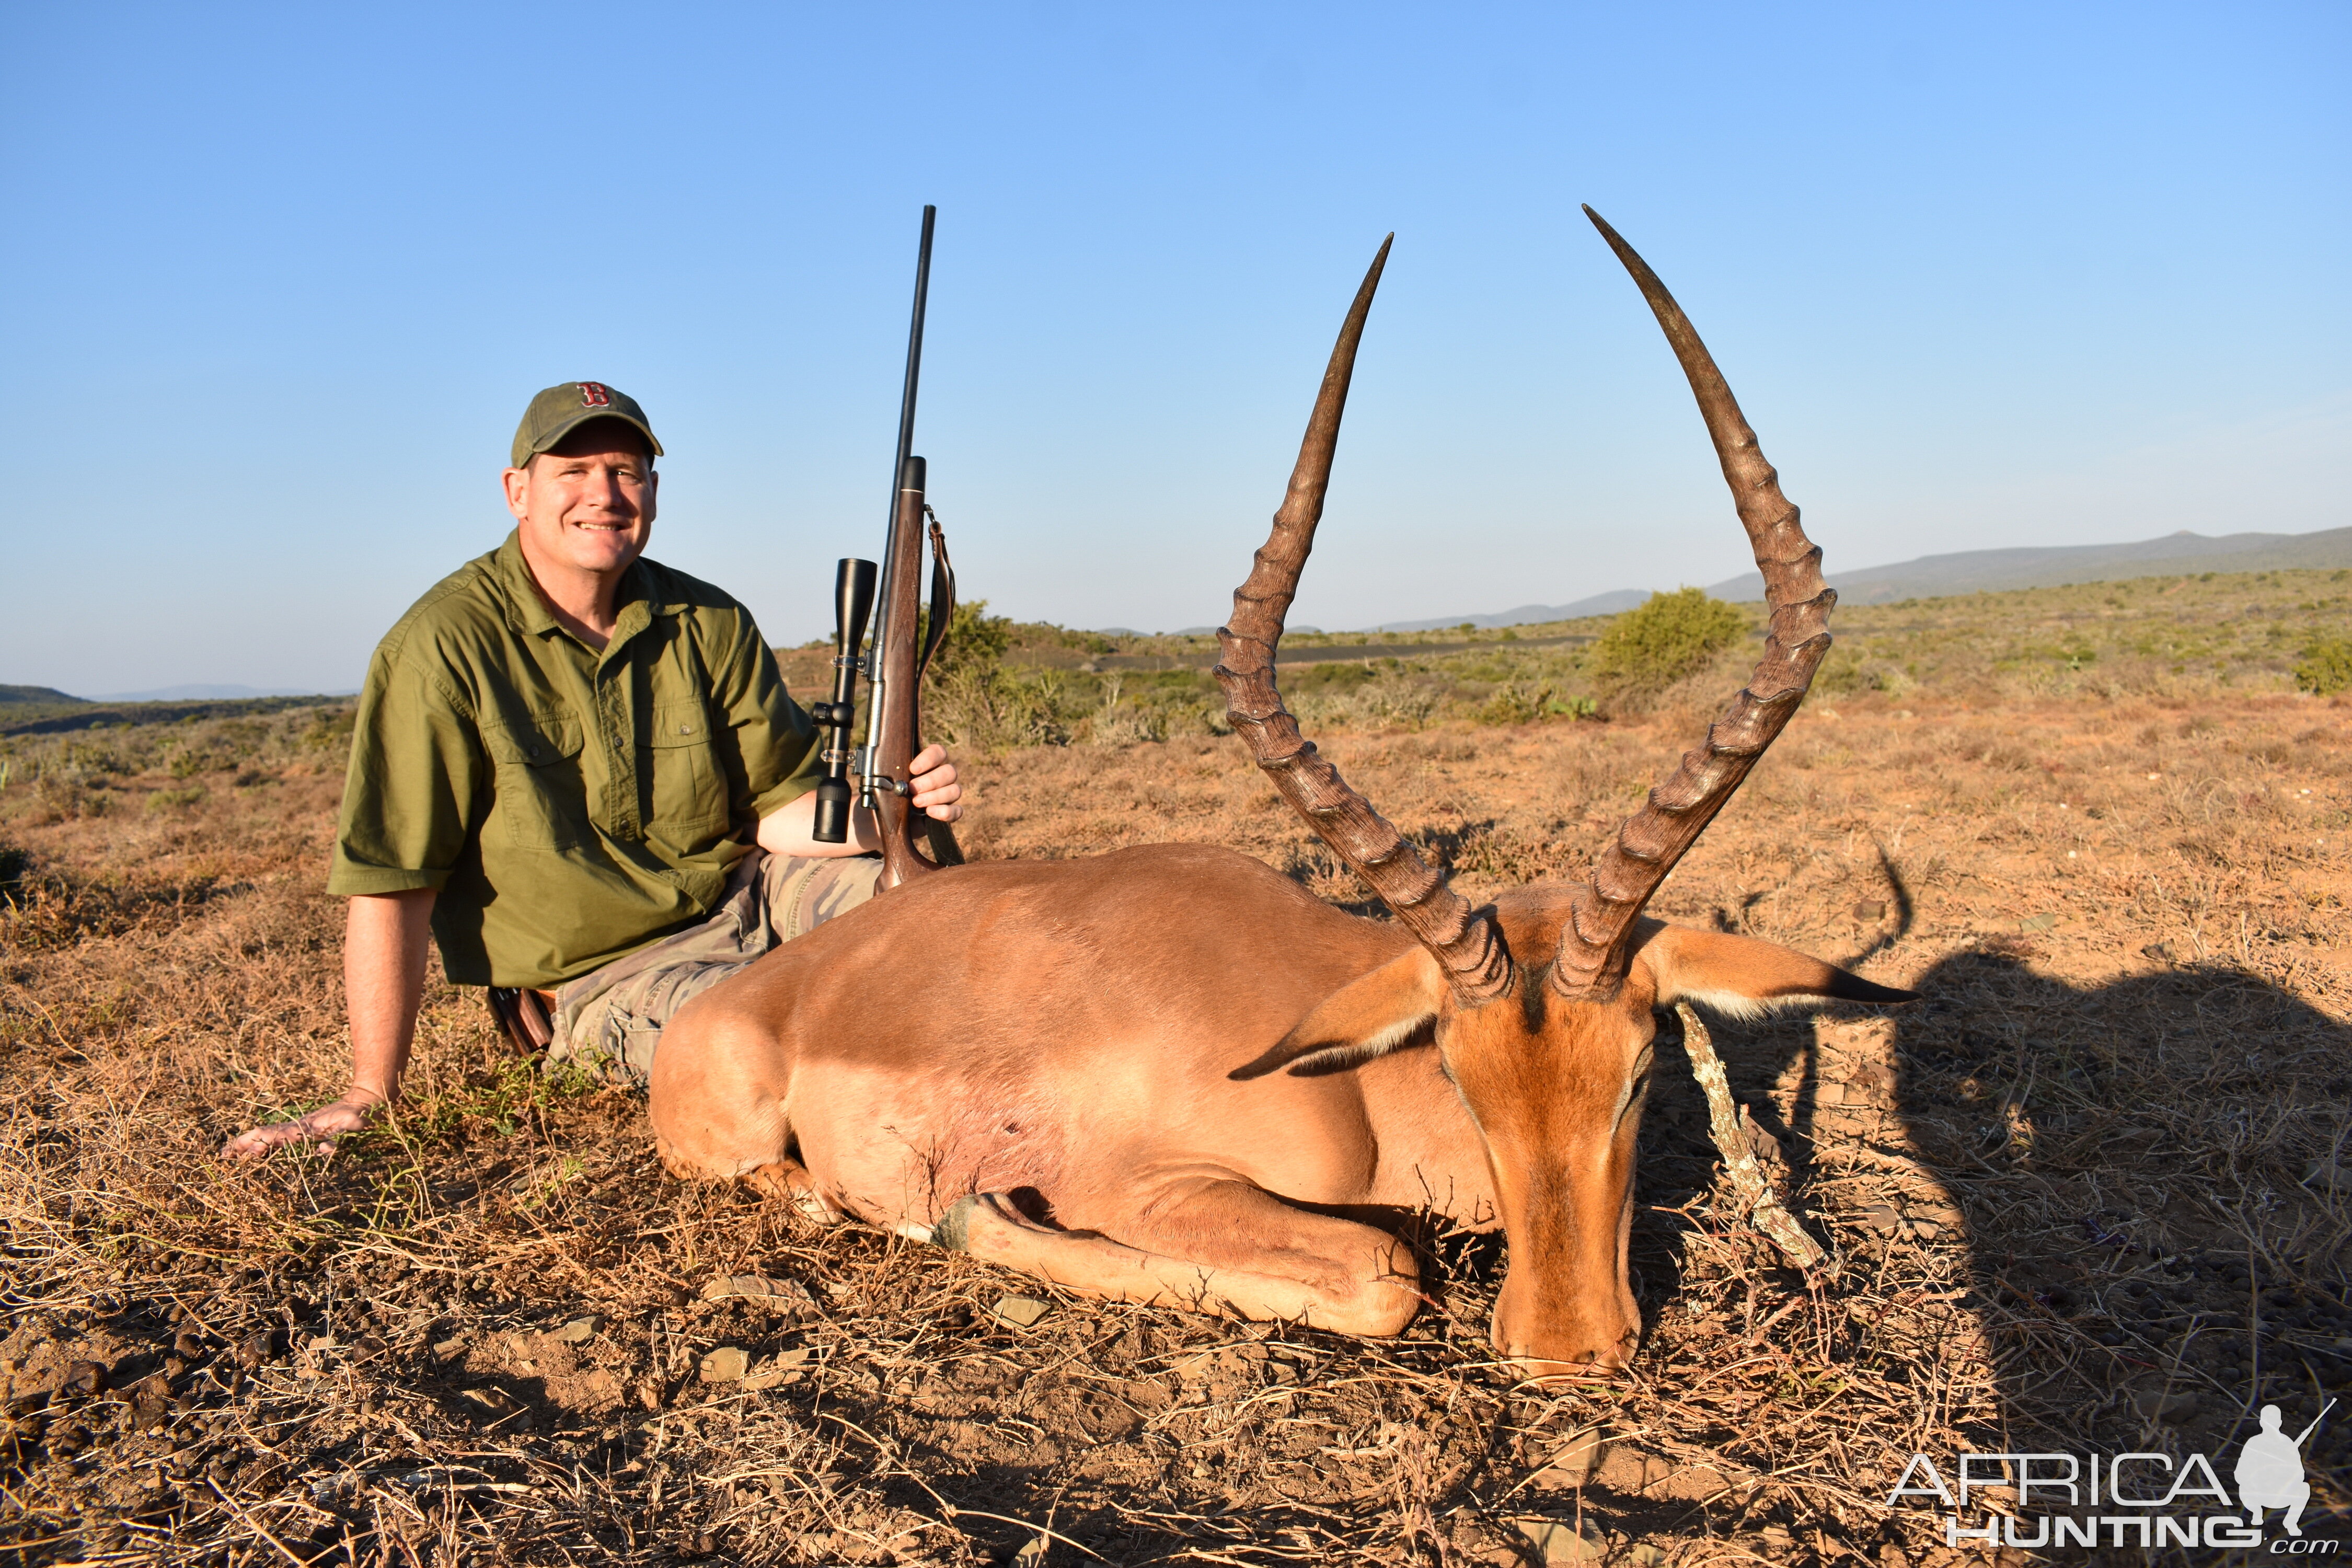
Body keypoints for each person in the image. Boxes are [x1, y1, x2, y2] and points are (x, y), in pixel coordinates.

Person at [223, 382, 960, 1156]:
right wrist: (372, 1091)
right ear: (518, 492)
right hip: (608, 976)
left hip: (751, 894)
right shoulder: (440, 648)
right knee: (774, 1051)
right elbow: (392, 882)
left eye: (625, 471)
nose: (603, 495)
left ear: (652, 491)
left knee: (932, 921)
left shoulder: (708, 620)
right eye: (572, 472)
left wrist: (893, 809)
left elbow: (778, 806)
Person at [2234, 1402, 2315, 1536]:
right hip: (2258, 1494)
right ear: (2262, 1423)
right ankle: (2256, 1513)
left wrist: (2283, 1472)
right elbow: (2240, 1473)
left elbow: (2300, 1474)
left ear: (2279, 1422)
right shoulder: (2254, 1443)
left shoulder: (2287, 1443)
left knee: (2304, 1488)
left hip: (2281, 1494)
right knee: (2243, 1487)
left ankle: (2291, 1522)